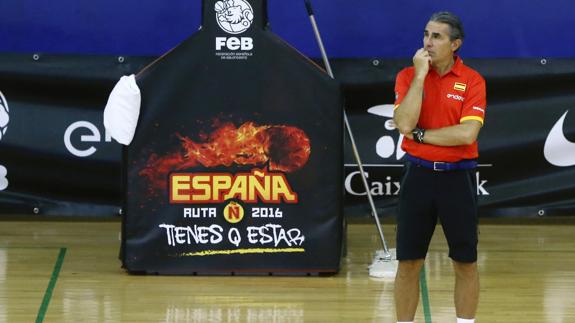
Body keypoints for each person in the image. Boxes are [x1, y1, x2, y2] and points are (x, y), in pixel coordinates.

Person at [392, 12, 486, 323]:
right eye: (426, 35)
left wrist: (420, 134)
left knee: (465, 262)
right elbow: (404, 123)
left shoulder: (472, 80)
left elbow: (466, 134)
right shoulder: (407, 75)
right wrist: (420, 76)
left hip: (457, 179)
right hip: (418, 176)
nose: (427, 43)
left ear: (455, 44)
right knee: (408, 262)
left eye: (437, 37)